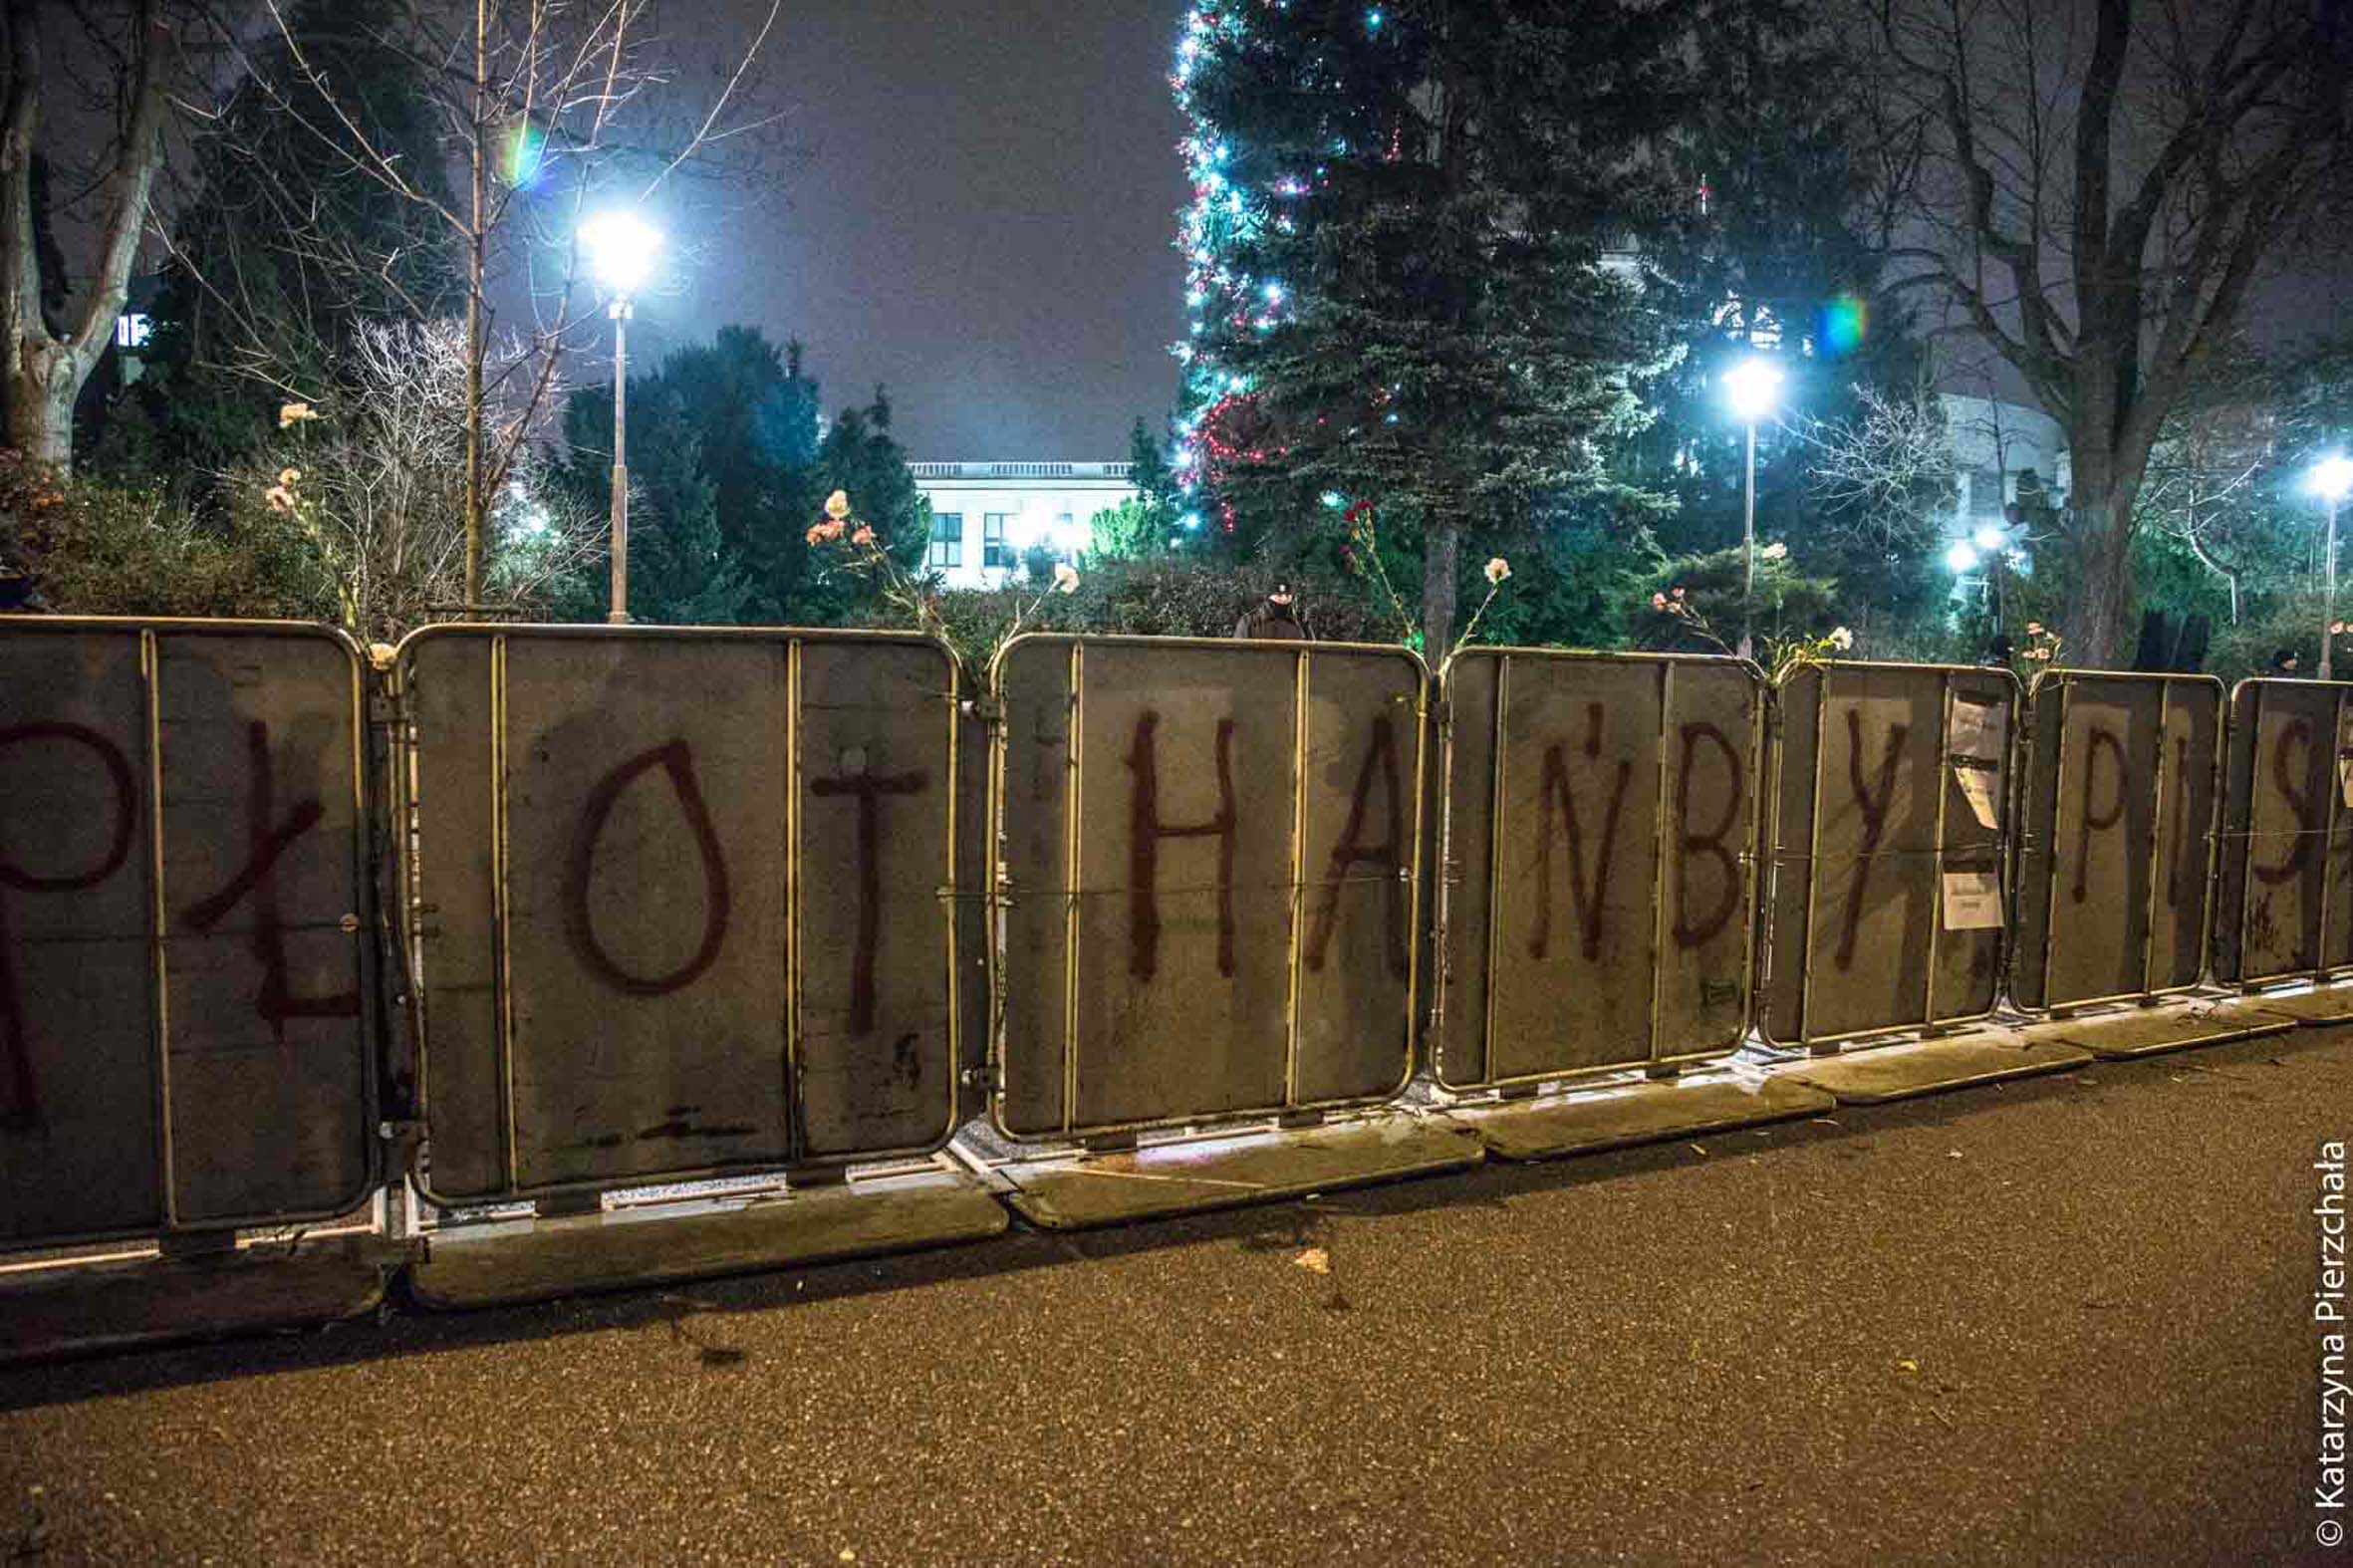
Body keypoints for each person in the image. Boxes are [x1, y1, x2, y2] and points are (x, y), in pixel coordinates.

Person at [1234, 580, 1308, 641]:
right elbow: (1239, 652)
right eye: (1279, 595)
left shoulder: (1300, 623)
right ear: (1268, 596)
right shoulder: (1248, 622)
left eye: (1288, 595)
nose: (1284, 599)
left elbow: (1312, 650)